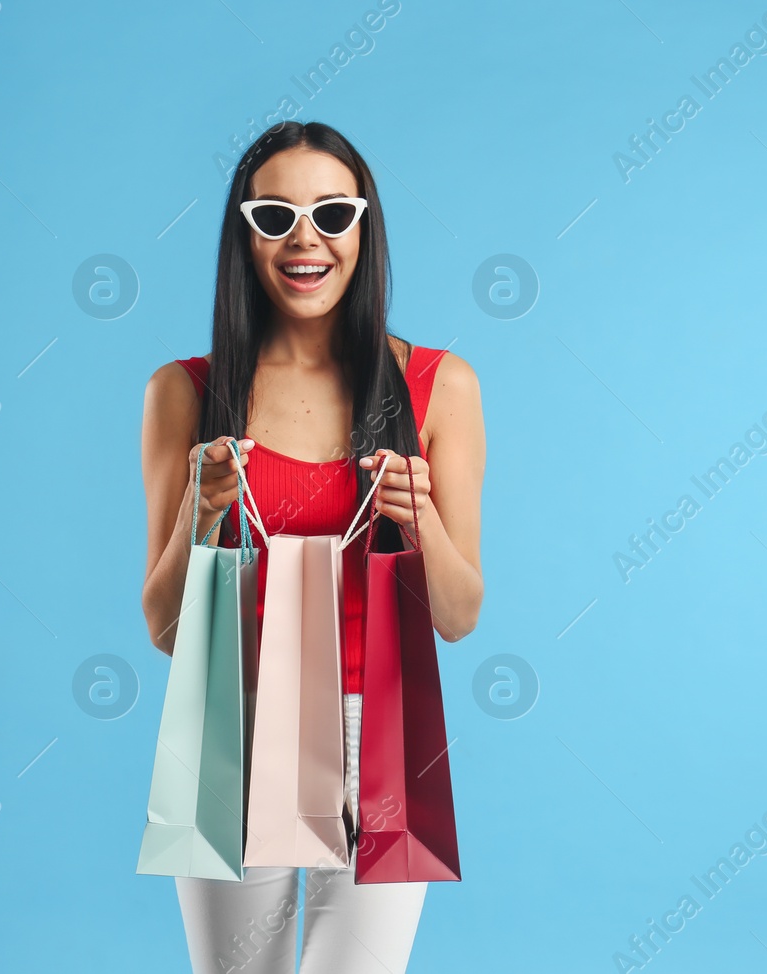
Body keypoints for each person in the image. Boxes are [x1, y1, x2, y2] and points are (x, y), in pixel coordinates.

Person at [139, 120, 485, 974]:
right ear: (244, 236)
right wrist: (200, 513)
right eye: (275, 217)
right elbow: (165, 628)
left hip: (384, 734)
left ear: (363, 230)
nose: (307, 240)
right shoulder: (185, 391)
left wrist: (423, 517)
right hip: (234, 721)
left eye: (334, 214)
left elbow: (459, 616)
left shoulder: (439, 386)